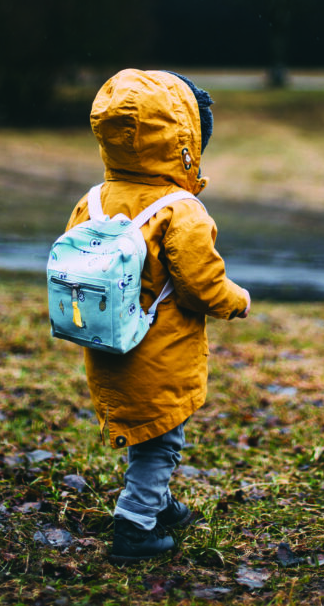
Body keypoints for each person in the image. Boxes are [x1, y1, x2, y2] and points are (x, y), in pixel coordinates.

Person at [62, 68, 251, 563]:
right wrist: (237, 299)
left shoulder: (94, 201)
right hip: (158, 352)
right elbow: (200, 285)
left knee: (148, 432)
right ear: (184, 143)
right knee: (161, 441)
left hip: (107, 345)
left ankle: (159, 503)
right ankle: (136, 525)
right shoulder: (179, 210)